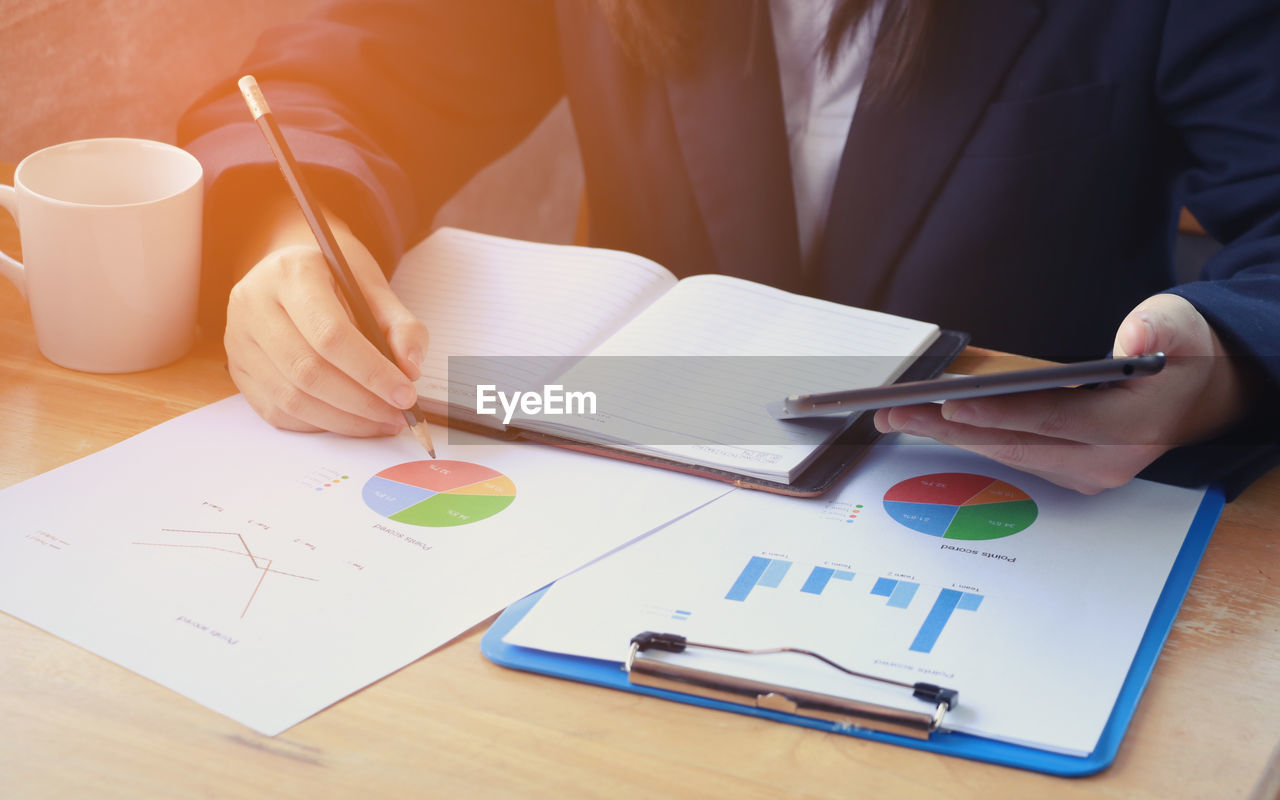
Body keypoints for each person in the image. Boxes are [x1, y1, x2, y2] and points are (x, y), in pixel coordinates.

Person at [178, 0, 1280, 498]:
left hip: (996, 508)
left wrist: (1216, 371)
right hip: (617, 490)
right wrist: (288, 242)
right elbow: (328, 80)